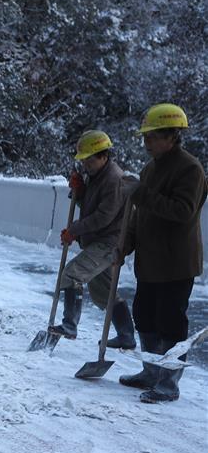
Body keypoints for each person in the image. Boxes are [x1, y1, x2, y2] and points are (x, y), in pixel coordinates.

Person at [119, 104, 206, 403]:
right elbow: (139, 214)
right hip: (150, 260)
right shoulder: (150, 168)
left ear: (172, 136)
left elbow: (182, 212)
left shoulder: (190, 169)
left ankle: (168, 383)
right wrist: (126, 244)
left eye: (152, 137)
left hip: (175, 262)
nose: (147, 143)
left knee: (171, 322)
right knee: (144, 316)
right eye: (146, 137)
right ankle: (151, 371)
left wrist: (140, 193)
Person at [47, 130, 134, 349]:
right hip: (98, 241)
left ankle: (69, 325)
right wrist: (80, 190)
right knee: (104, 292)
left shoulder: (114, 179)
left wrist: (75, 230)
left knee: (72, 274)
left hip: (109, 243)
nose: (85, 164)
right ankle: (127, 336)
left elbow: (103, 217)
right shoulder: (96, 175)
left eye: (89, 159)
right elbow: (89, 206)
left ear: (103, 156)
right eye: (83, 159)